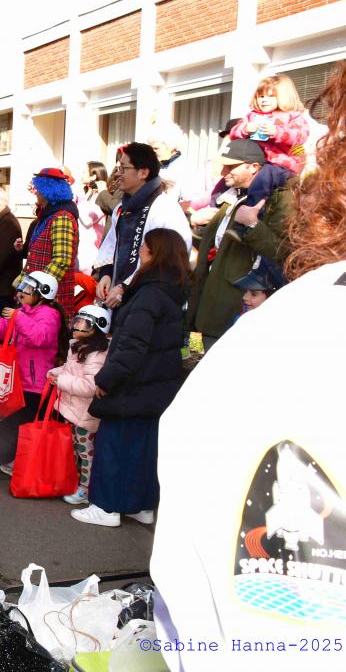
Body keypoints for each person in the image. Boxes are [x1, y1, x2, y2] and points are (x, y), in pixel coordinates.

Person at [151, 61, 346, 672]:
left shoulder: (300, 328)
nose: (229, 170)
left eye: (238, 162)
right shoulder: (285, 331)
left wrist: (256, 229)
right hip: (217, 323)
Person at [72, 228, 189, 527]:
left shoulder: (148, 293)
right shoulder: (173, 291)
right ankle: (140, 505)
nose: (139, 254)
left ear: (154, 253)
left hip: (132, 383)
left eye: (144, 249)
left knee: (115, 445)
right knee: (143, 448)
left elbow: (131, 345)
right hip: (156, 384)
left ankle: (107, 506)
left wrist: (106, 379)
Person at [187, 139, 294, 350]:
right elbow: (221, 245)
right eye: (223, 166)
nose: (223, 172)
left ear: (253, 167)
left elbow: (283, 251)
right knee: (191, 358)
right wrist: (197, 226)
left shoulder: (279, 196)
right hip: (206, 307)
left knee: (213, 365)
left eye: (231, 166)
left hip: (233, 314)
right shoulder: (231, 195)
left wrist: (252, 225)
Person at [0, 270, 69, 475]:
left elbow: (39, 337)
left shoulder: (49, 314)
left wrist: (19, 317)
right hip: (20, 381)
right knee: (12, 425)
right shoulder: (25, 312)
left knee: (19, 427)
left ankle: (9, 464)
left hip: (36, 385)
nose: (22, 292)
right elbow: (5, 330)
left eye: (29, 289)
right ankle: (5, 462)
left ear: (43, 293)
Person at [93, 142, 191, 310]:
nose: (118, 173)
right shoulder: (121, 208)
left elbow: (167, 258)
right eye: (118, 168)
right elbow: (111, 244)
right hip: (119, 294)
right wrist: (106, 274)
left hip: (151, 298)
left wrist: (125, 286)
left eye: (124, 168)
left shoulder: (164, 208)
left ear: (143, 172)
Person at [47, 304, 111, 505]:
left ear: (98, 328)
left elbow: (90, 386)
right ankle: (74, 482)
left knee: (86, 452)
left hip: (85, 413)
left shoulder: (97, 354)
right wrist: (56, 373)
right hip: (73, 409)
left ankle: (86, 489)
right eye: (78, 321)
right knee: (74, 449)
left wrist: (62, 381)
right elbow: (70, 370)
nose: (77, 326)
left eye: (85, 324)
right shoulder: (79, 346)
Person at [20, 167, 79, 324]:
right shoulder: (48, 215)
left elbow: (61, 259)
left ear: (47, 190)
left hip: (50, 298)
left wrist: (37, 289)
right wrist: (23, 285)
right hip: (38, 296)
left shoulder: (62, 217)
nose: (36, 192)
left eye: (38, 189)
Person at [229, 74, 309, 175]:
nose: (264, 100)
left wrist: (278, 132)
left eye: (270, 96)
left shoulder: (292, 116)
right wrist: (244, 130)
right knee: (230, 176)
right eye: (261, 96)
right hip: (253, 162)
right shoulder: (252, 116)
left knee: (264, 178)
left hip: (280, 163)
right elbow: (233, 134)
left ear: (283, 97)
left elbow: (300, 136)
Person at [78, 161, 110, 273]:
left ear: (94, 176)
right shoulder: (87, 194)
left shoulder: (101, 197)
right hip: (81, 247)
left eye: (84, 172)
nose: (81, 174)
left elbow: (87, 221)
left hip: (90, 251)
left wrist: (75, 204)